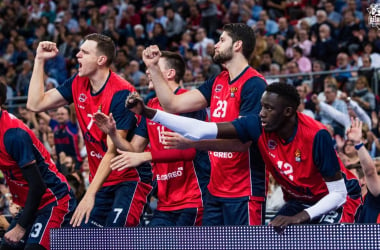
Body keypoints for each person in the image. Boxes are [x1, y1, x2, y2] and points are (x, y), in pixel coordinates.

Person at [125, 82, 362, 230]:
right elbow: (200, 129)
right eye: (261, 106)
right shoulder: (257, 124)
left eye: (269, 108)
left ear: (288, 112)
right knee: (273, 237)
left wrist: (302, 216)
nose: (262, 113)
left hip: (337, 199)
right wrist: (149, 112)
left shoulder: (315, 135)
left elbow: (339, 194)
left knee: (330, 239)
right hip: (299, 201)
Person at [141, 23, 267, 226]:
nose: (216, 45)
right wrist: (154, 68)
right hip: (215, 190)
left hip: (244, 190)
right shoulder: (218, 80)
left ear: (237, 45)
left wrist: (193, 143)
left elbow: (241, 144)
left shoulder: (254, 83)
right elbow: (173, 104)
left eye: (222, 40)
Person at [26, 33, 152, 228]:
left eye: (84, 52)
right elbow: (35, 103)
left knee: (117, 237)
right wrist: (39, 59)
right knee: (86, 238)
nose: (77, 55)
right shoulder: (78, 82)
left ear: (101, 60)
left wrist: (89, 195)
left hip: (129, 179)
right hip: (101, 180)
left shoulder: (122, 93)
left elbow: (113, 151)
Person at [94, 51, 209, 226]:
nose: (148, 71)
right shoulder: (151, 107)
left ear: (169, 73)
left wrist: (146, 156)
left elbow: (191, 151)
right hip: (164, 204)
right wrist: (112, 133)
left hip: (193, 199)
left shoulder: (189, 101)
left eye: (153, 67)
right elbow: (134, 150)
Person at [0, 82, 76, 250]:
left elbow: (38, 185)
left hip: (54, 200)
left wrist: (20, 227)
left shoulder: (13, 135)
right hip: (29, 204)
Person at [346, 117, 380, 223]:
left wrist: (358, 144)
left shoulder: (373, 198)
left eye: (352, 179)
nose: (348, 183)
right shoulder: (345, 203)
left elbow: (370, 172)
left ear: (363, 180)